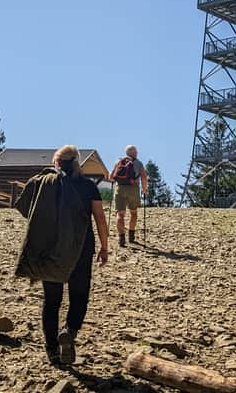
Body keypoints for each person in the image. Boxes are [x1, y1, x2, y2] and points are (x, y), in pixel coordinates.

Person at [14, 145, 108, 366]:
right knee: (79, 295)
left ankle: (52, 349)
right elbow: (100, 218)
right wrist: (105, 246)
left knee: (52, 301)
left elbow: (27, 207)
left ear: (56, 162)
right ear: (78, 162)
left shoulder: (44, 183)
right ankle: (69, 331)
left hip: (50, 247)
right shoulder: (87, 186)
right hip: (81, 247)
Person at [109, 145, 148, 247]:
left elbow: (111, 177)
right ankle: (131, 236)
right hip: (133, 188)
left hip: (120, 189)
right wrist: (144, 189)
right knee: (133, 213)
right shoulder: (138, 163)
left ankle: (121, 238)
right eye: (136, 151)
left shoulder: (119, 161)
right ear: (134, 153)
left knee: (120, 214)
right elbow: (143, 177)